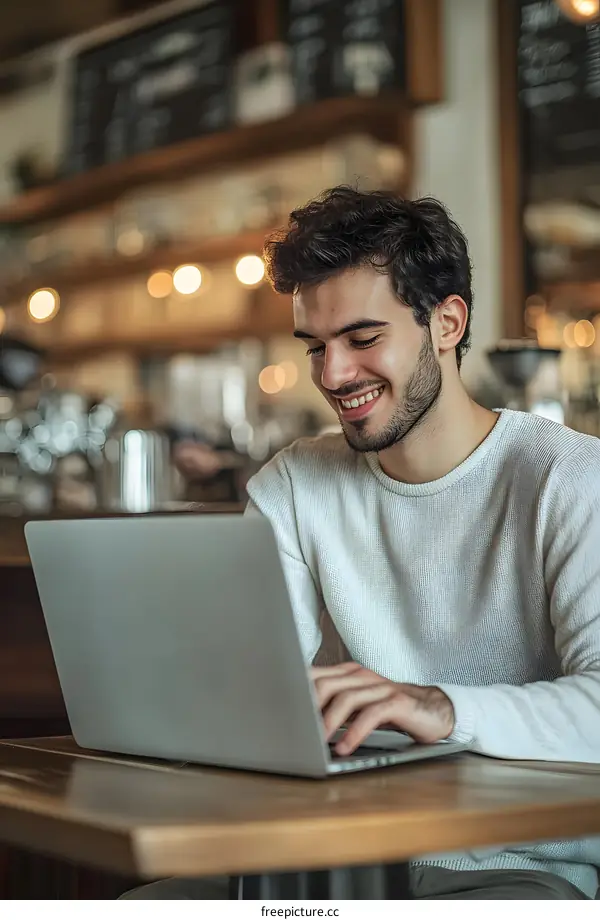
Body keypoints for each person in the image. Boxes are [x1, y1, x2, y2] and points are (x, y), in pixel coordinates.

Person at [121, 187, 600, 900]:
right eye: (315, 346)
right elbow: (247, 693)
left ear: (447, 322)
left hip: (516, 872)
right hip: (330, 865)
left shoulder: (570, 479)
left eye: (362, 338)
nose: (333, 375)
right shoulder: (293, 484)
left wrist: (440, 708)